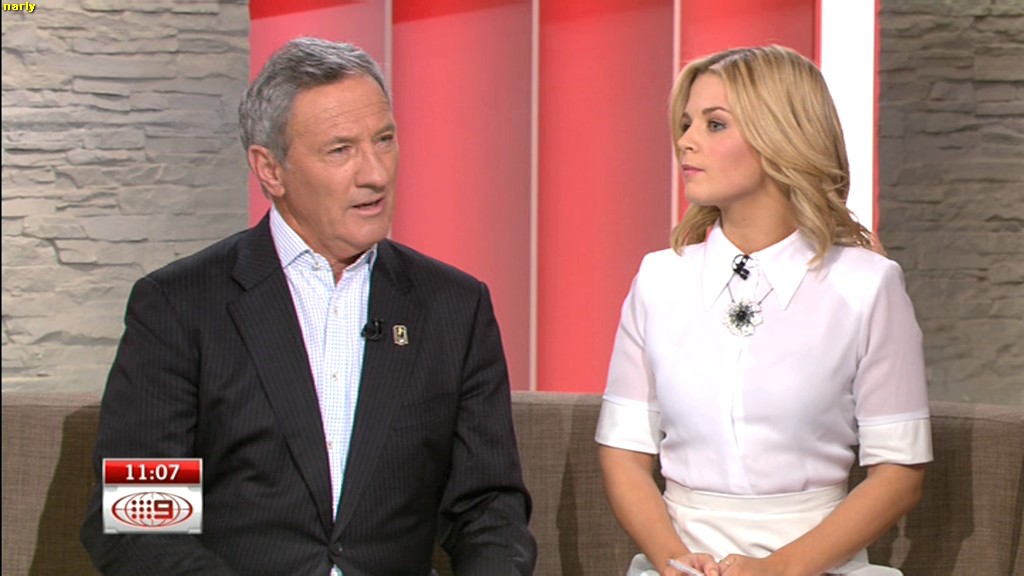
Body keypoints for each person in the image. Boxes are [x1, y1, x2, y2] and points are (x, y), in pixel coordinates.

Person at [80, 37, 537, 576]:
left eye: (384, 140)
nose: (376, 173)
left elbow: (488, 510)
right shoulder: (180, 307)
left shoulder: (453, 307)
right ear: (270, 169)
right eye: (340, 150)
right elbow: (140, 520)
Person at [596, 45, 932, 576]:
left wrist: (777, 570)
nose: (686, 141)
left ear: (781, 133)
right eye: (686, 124)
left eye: (714, 124)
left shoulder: (868, 286)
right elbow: (623, 454)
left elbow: (899, 475)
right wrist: (675, 560)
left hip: (815, 565)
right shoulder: (659, 280)